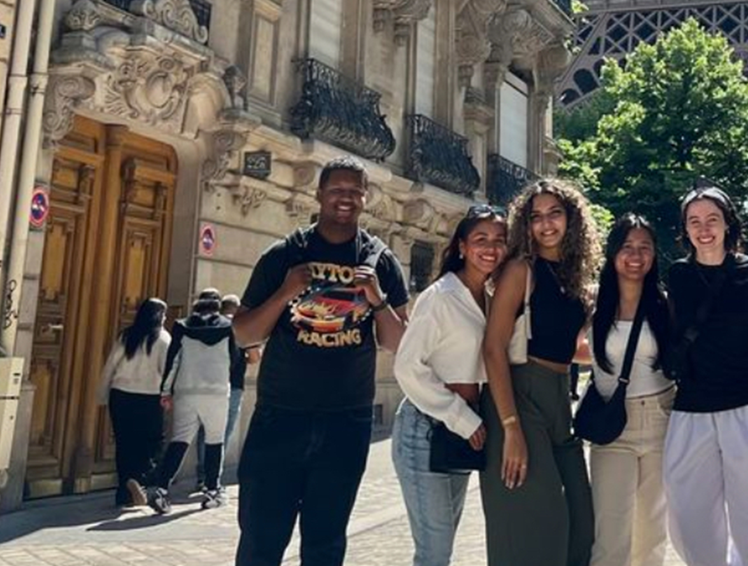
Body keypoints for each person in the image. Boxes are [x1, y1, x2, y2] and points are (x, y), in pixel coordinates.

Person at [232, 156, 409, 566]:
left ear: (365, 198)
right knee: (260, 537)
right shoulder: (284, 255)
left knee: (326, 543)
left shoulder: (380, 260)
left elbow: (397, 341)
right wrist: (284, 292)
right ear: (319, 195)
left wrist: (377, 299)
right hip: (280, 415)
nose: (345, 198)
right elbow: (244, 333)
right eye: (337, 190)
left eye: (354, 191)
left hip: (345, 420)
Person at [481, 179, 599, 566]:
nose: (546, 225)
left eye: (555, 214)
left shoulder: (576, 276)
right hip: (521, 396)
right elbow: (493, 347)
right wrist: (510, 425)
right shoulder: (521, 270)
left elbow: (571, 348)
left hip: (560, 397)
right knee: (540, 525)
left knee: (581, 522)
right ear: (525, 225)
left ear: (572, 219)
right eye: (536, 217)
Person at [663, 185, 748, 566]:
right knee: (688, 520)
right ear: (685, 229)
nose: (704, 228)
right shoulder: (677, 276)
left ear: (728, 223)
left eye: (712, 219)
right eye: (694, 221)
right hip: (692, 409)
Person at [393, 205, 508, 566]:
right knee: (435, 550)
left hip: (465, 430)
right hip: (427, 428)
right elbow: (407, 368)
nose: (490, 248)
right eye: (481, 239)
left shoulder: (491, 299)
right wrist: (460, 416)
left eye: (499, 240)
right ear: (461, 246)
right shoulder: (440, 297)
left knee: (443, 544)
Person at [588, 214, 676, 566]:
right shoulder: (592, 303)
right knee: (611, 535)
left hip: (660, 418)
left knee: (652, 533)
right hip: (612, 425)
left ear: (655, 255)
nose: (636, 256)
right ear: (612, 253)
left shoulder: (665, 303)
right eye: (627, 247)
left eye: (645, 248)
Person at [141, 291, 236, 513]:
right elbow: (234, 359)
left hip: (187, 390)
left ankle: (162, 489)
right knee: (214, 441)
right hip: (217, 392)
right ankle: (212, 490)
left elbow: (173, 360)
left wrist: (165, 391)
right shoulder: (228, 327)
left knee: (179, 441)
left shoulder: (182, 326)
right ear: (217, 307)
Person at [98, 297, 171, 508]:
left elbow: (111, 365)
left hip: (120, 396)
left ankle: (124, 491)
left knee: (124, 444)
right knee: (151, 444)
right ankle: (140, 481)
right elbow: (166, 371)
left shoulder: (127, 335)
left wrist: (102, 394)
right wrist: (169, 396)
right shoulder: (163, 339)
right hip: (148, 398)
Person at [196, 293, 255, 494]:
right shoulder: (240, 327)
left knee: (206, 430)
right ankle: (213, 478)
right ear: (237, 309)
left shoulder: (210, 326)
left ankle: (202, 474)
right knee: (222, 433)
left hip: (207, 385)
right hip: (234, 385)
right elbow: (255, 357)